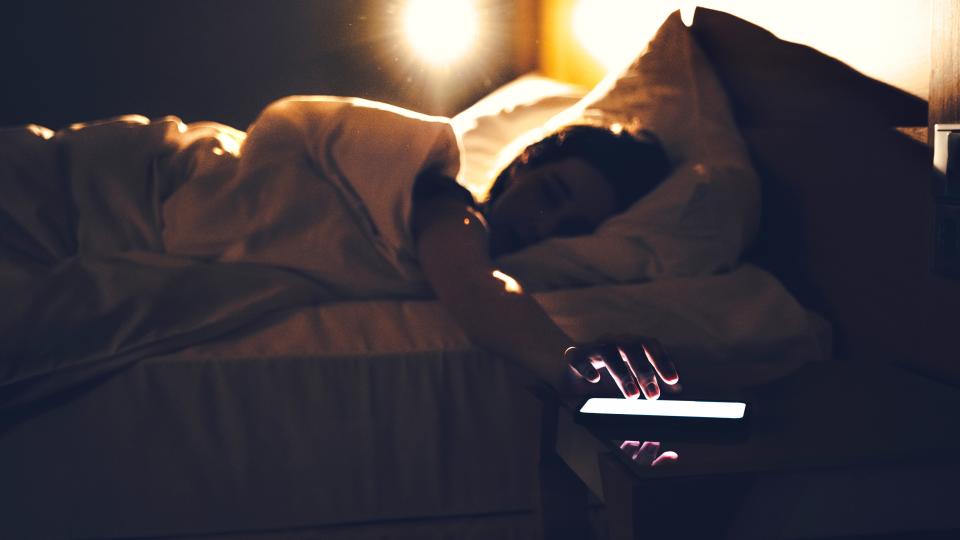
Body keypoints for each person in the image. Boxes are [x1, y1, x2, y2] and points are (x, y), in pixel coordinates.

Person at [412, 124, 680, 402]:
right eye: (550, 195)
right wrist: (574, 371)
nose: (543, 226)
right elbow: (473, 283)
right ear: (524, 164)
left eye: (571, 228)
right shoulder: (449, 203)